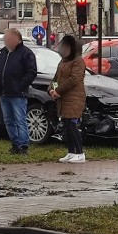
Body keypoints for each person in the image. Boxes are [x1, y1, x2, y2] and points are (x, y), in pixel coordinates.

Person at [0, 28, 38, 155]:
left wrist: (20, 86)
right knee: (8, 120)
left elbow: (31, 72)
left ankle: (23, 146)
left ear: (18, 39)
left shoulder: (26, 53)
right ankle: (15, 144)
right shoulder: (3, 53)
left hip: (18, 94)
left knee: (20, 120)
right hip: (4, 92)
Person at [50, 35, 87, 163]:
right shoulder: (63, 61)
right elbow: (56, 78)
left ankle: (80, 153)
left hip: (74, 98)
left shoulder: (78, 61)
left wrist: (58, 90)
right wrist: (52, 90)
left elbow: (74, 79)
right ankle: (71, 152)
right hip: (63, 98)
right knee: (67, 124)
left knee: (72, 124)